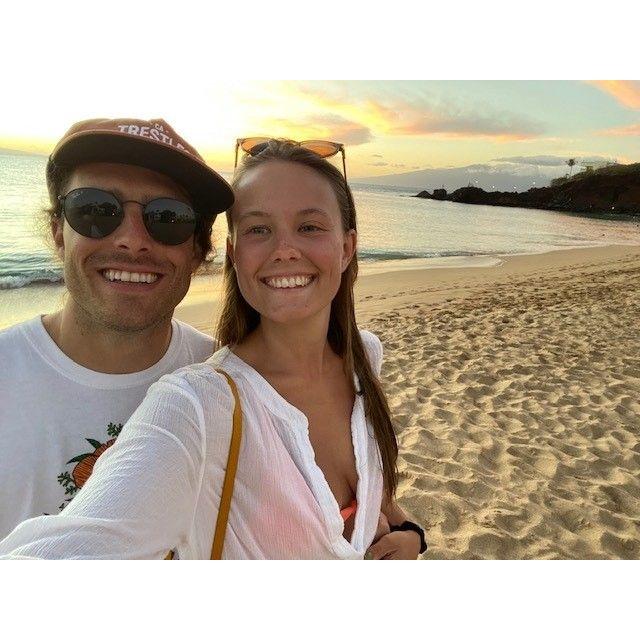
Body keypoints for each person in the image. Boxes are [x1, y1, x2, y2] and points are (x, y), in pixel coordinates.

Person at [0, 139, 427, 559]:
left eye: (310, 227)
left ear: (347, 247)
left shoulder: (364, 357)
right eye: (258, 229)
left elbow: (370, 493)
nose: (284, 250)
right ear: (233, 254)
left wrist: (410, 533)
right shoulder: (198, 402)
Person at [0, 117, 233, 539]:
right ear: (59, 233)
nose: (132, 239)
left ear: (198, 252)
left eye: (168, 217)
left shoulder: (229, 385)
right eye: (95, 210)